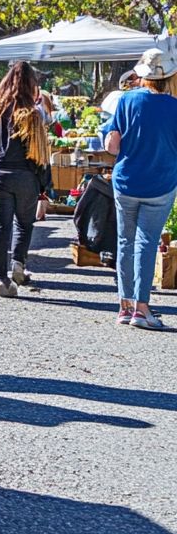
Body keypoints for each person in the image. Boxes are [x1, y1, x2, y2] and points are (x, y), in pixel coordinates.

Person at [103, 47, 177, 329]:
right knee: (147, 243)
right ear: (168, 76)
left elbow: (112, 146)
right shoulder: (175, 106)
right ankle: (142, 309)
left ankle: (124, 306)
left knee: (125, 241)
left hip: (126, 181)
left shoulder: (126, 100)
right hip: (161, 182)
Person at [0, 62, 51, 298]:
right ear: (31, 85)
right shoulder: (31, 113)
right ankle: (18, 264)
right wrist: (44, 185)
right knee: (24, 224)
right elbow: (40, 155)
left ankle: (2, 279)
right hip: (25, 176)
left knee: (0, 227)